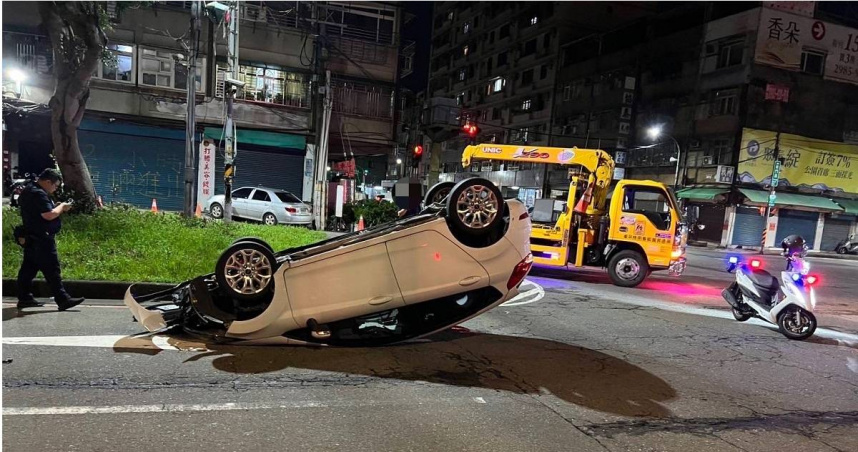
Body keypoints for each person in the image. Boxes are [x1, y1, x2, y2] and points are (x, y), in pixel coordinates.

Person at [16, 168, 85, 311]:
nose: (55, 189)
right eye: (55, 186)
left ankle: (24, 298)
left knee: (28, 269)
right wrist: (61, 207)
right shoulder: (39, 194)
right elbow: (48, 215)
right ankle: (63, 299)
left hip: (31, 236)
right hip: (42, 238)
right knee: (52, 269)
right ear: (48, 182)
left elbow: (37, 212)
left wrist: (55, 206)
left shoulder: (29, 190)